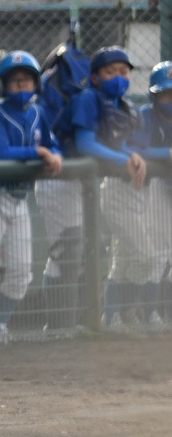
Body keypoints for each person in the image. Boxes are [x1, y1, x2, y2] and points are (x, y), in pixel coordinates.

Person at [0, 51, 62, 340]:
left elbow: (53, 144)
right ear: (3, 86)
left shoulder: (38, 113)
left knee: (22, 269)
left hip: (19, 197)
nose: (21, 87)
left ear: (36, 84)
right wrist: (38, 152)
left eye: (26, 81)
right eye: (15, 82)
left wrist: (54, 154)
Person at [72, 46, 160, 327]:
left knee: (124, 258)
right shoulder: (89, 98)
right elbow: (86, 143)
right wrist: (123, 159)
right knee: (146, 255)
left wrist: (129, 154)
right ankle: (122, 311)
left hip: (133, 191)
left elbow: (122, 144)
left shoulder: (127, 106)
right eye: (111, 72)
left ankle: (111, 316)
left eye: (124, 72)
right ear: (96, 77)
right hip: (112, 188)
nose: (119, 77)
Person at [36, 30, 92, 330]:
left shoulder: (85, 92)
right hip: (57, 177)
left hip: (77, 178)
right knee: (67, 252)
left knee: (81, 251)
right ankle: (59, 326)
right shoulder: (51, 86)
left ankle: (69, 324)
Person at [139, 62, 172, 325]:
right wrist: (167, 155)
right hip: (155, 189)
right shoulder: (146, 116)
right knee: (159, 253)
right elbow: (140, 150)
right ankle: (150, 313)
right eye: (166, 94)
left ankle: (167, 313)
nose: (170, 100)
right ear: (154, 95)